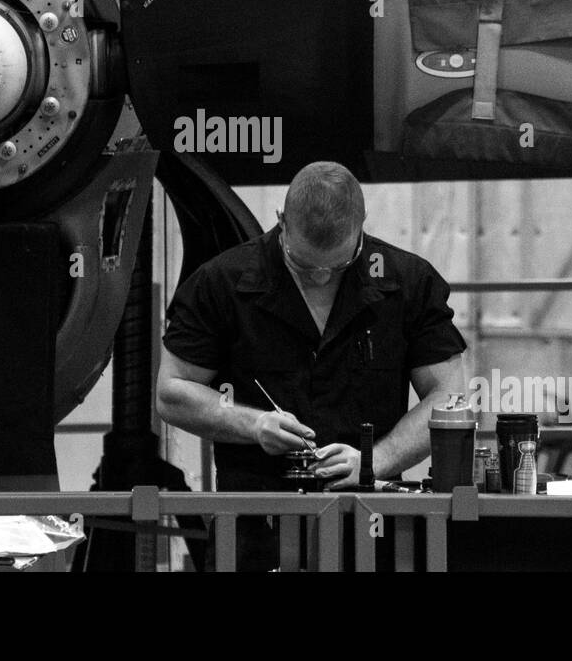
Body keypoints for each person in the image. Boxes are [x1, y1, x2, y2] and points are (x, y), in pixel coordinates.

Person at [156, 161, 467, 569]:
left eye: (338, 265)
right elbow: (172, 391)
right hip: (254, 524)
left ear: (361, 226)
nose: (321, 277)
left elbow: (451, 398)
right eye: (304, 265)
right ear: (282, 221)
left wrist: (376, 461)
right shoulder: (221, 283)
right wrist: (253, 424)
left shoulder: (409, 283)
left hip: (371, 524)